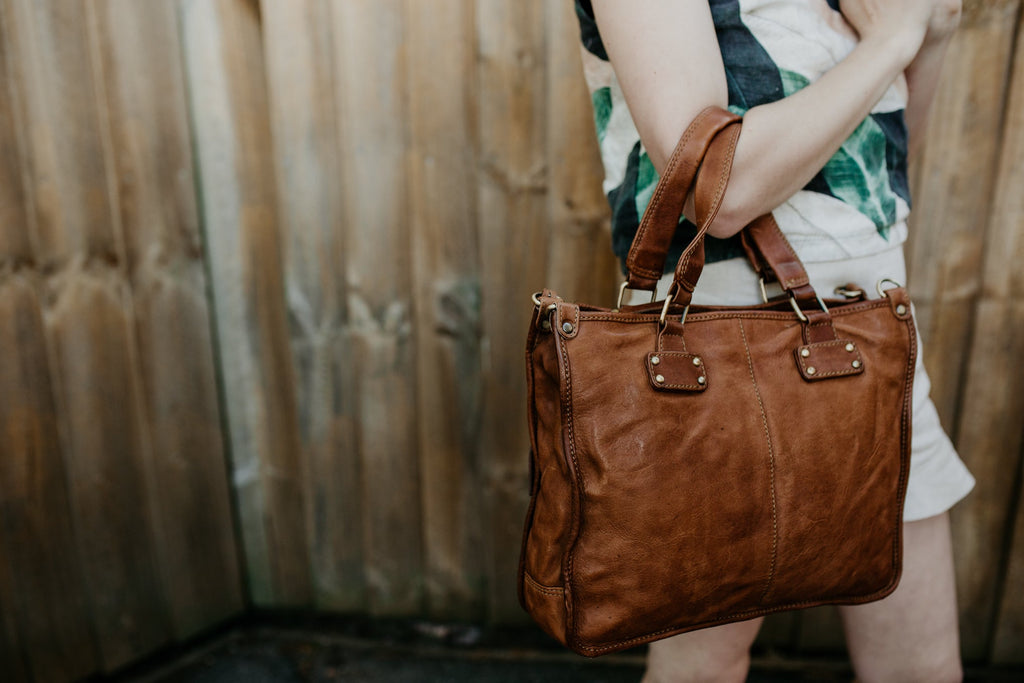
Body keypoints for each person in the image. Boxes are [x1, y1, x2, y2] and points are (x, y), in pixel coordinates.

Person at [574, 1, 975, 681]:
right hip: (719, 361)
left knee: (923, 667)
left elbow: (881, 174)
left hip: (874, 343)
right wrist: (895, 40)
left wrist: (930, 37)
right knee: (705, 665)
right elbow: (718, 189)